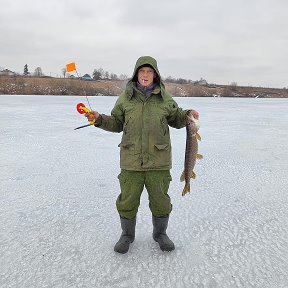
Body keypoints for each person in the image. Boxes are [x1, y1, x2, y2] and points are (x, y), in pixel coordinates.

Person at [85, 56, 199, 254]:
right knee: (127, 200)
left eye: (149, 71)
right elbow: (117, 123)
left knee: (161, 200)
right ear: (136, 74)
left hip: (159, 161)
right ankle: (127, 235)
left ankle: (160, 234)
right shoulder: (125, 99)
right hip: (131, 160)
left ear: (155, 75)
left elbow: (176, 117)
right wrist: (99, 119)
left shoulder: (165, 98)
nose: (145, 75)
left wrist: (188, 114)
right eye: (142, 71)